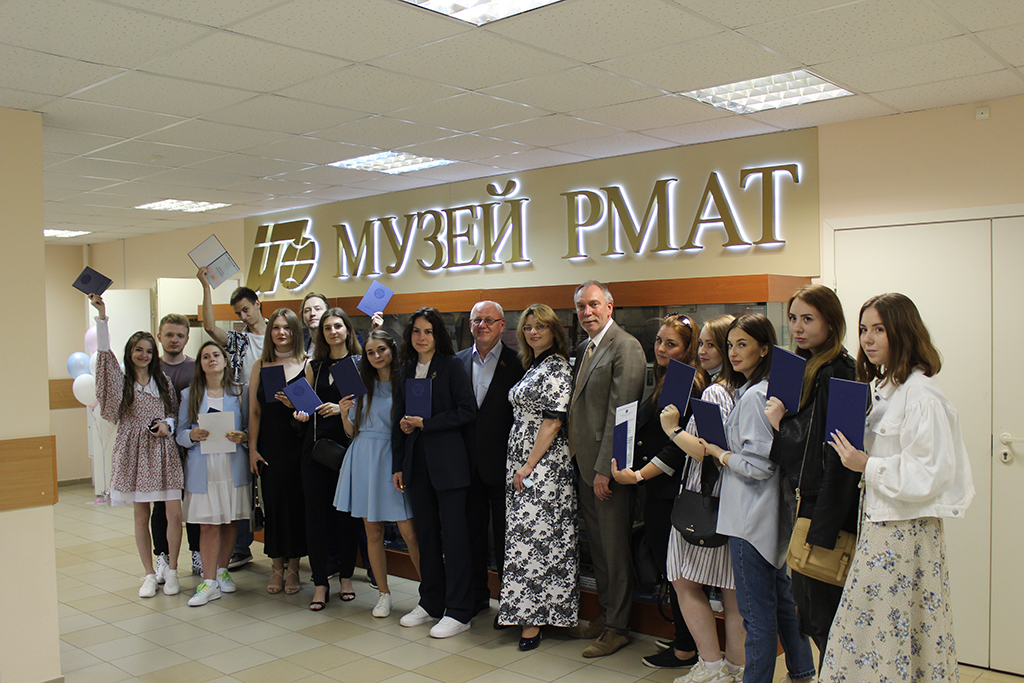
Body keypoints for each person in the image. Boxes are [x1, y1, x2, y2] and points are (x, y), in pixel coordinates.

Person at [822, 293, 974, 682]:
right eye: (863, 329)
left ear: (902, 332)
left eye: (879, 329)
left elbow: (931, 472)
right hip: (881, 522)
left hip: (905, 529)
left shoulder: (922, 395)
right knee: (875, 630)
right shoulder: (883, 387)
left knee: (889, 630)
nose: (868, 339)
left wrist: (867, 465)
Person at [701, 315, 815, 683]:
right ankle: (802, 671)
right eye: (730, 345)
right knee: (781, 604)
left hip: (749, 520)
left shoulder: (754, 396)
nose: (733, 353)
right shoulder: (757, 390)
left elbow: (758, 465)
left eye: (743, 344)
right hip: (764, 517)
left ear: (764, 349)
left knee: (757, 616)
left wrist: (720, 454)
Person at [764, 285, 860, 666]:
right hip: (803, 501)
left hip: (823, 508)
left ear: (830, 322)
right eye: (793, 319)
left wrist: (779, 425)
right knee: (808, 607)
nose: (797, 328)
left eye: (808, 319)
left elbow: (837, 456)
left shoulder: (842, 372)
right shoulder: (805, 366)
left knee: (824, 613)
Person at [609, 314, 704, 670]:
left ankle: (685, 648)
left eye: (671, 344)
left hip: (670, 493)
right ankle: (684, 637)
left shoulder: (684, 381)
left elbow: (675, 448)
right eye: (659, 341)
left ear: (688, 349)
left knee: (678, 573)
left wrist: (638, 476)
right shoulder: (667, 378)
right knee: (673, 571)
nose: (661, 349)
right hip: (659, 491)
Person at [567, 280, 646, 657]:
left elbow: (622, 414)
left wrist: (605, 469)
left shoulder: (626, 346)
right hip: (583, 465)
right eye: (581, 307)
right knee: (598, 548)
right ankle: (607, 614)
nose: (587, 312)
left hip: (606, 470)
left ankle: (618, 628)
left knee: (614, 550)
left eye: (594, 304)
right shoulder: (585, 348)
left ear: (610, 307)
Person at [88, 294, 184, 599]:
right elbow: (104, 358)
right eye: (138, 350)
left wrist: (167, 424)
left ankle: (172, 570)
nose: (144, 355)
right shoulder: (121, 382)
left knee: (174, 514)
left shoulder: (163, 381)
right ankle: (149, 573)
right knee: (141, 516)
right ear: (130, 352)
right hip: (135, 454)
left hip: (163, 453)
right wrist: (102, 317)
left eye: (148, 351)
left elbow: (174, 412)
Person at [392, 307, 477, 638]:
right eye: (416, 331)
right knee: (425, 536)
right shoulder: (406, 369)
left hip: (449, 465)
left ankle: (459, 610)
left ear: (438, 334)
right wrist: (398, 464)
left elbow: (467, 411)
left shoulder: (451, 365)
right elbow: (397, 420)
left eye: (428, 331)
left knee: (454, 539)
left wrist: (427, 424)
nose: (421, 337)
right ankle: (430, 602)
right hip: (417, 466)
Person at [497, 304, 577, 651]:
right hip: (524, 460)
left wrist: (528, 466)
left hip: (542, 465)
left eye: (540, 326)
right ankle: (522, 611)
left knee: (533, 540)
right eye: (528, 327)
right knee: (526, 538)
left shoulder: (557, 366)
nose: (533, 332)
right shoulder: (535, 365)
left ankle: (533, 620)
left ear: (554, 331)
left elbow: (553, 421)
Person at [335, 330, 421, 618]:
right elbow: (352, 431)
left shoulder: (405, 383)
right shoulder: (360, 386)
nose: (376, 356)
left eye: (381, 349)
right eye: (370, 352)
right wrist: (343, 413)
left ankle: (431, 592)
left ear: (392, 350)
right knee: (373, 531)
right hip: (363, 457)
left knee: (409, 531)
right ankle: (383, 594)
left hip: (393, 457)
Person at [457, 300, 524, 623]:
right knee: (471, 537)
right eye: (476, 320)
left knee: (506, 539)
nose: (482, 325)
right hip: (465, 466)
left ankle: (509, 604)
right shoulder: (456, 362)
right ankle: (476, 597)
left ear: (501, 326)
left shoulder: (519, 363)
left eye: (489, 320)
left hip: (504, 467)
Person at [198, 269, 267, 569]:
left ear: (258, 304)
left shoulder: (280, 334)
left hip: (274, 412)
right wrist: (206, 287)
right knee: (242, 479)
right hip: (243, 412)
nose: (243, 316)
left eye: (246, 309)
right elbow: (210, 327)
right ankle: (241, 546)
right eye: (238, 313)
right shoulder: (239, 341)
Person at [296, 307, 363, 611]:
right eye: (327, 328)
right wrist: (300, 411)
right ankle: (320, 582)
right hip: (316, 451)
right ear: (321, 334)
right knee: (315, 519)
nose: (333, 332)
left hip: (348, 450)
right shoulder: (316, 366)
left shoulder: (359, 363)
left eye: (338, 326)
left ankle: (346, 577)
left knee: (346, 517)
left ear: (347, 330)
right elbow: (305, 403)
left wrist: (340, 409)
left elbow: (365, 405)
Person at [176, 341, 251, 606]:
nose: (212, 359)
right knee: (208, 524)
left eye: (216, 355)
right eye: (206, 356)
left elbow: (251, 429)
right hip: (204, 468)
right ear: (201, 364)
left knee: (230, 522)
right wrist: (192, 435)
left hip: (232, 465)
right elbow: (180, 434)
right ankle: (208, 582)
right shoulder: (190, 395)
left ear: (225, 360)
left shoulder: (240, 392)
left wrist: (243, 437)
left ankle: (222, 571)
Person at [248, 308, 308, 595]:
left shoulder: (307, 363)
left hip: (298, 446)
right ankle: (276, 566)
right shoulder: (260, 365)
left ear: (295, 332)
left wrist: (295, 406)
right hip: (269, 447)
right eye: (276, 327)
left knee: (296, 506)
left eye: (287, 327)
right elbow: (254, 411)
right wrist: (252, 449)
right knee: (273, 505)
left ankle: (294, 567)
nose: (281, 332)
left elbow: (313, 409)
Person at [151, 313, 202, 582]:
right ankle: (163, 556)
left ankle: (198, 553)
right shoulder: (150, 368)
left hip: (190, 446)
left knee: (193, 503)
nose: (174, 340)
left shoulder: (196, 368)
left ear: (187, 338)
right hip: (158, 448)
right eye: (169, 335)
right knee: (162, 506)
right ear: (159, 336)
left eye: (180, 335)